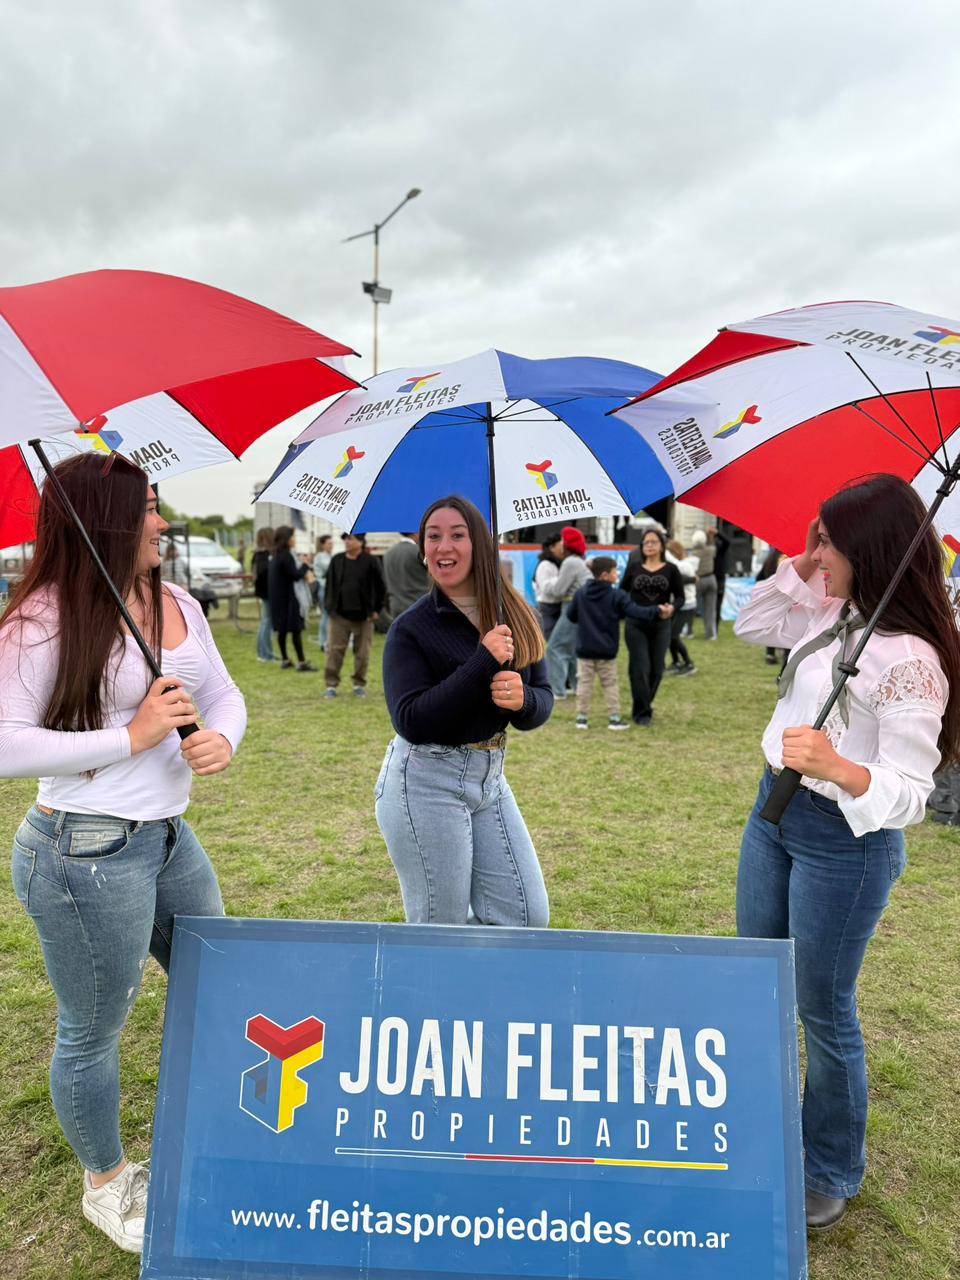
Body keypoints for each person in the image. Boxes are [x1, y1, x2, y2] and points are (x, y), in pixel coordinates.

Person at [0, 452, 245, 1255]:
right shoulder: (40, 620)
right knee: (93, 1029)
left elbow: (223, 693)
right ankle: (106, 1184)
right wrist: (129, 735)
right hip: (82, 856)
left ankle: (221, 1122)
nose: (163, 522)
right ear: (105, 519)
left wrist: (221, 740)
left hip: (169, 837)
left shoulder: (173, 599)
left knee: (220, 981)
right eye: (147, 509)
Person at [734, 474, 960, 1231]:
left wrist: (838, 766)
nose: (817, 550)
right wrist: (803, 565)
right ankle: (763, 1133)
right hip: (773, 816)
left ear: (870, 547)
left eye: (829, 539)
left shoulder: (909, 657)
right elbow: (753, 621)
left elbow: (910, 793)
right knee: (755, 983)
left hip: (845, 843)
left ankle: (829, 1166)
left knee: (820, 1008)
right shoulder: (834, 609)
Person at [376, 495, 552, 926]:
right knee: (440, 926)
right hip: (425, 780)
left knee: (525, 916)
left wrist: (523, 700)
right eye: (432, 537)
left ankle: (465, 984)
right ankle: (425, 988)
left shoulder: (516, 615)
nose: (443, 547)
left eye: (458, 535)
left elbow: (543, 697)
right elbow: (412, 721)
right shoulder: (411, 628)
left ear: (481, 545)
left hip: (490, 778)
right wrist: (482, 662)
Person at [567, 556, 670, 730]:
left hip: (584, 649)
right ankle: (614, 719)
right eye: (615, 571)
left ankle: (581, 718)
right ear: (606, 575)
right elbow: (635, 611)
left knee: (584, 684)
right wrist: (657, 610)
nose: (618, 574)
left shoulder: (581, 593)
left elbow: (571, 615)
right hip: (607, 650)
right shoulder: (617, 595)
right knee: (610, 685)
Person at [620, 529, 683, 725]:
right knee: (640, 668)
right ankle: (643, 713)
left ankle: (643, 704)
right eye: (645, 542)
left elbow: (681, 597)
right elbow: (621, 593)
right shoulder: (634, 567)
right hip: (635, 624)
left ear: (662, 546)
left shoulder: (672, 569)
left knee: (657, 668)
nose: (649, 545)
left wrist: (672, 608)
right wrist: (628, 609)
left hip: (661, 624)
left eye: (653, 542)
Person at [324, 532, 386, 697]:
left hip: (364, 617)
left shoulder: (371, 561)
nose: (347, 541)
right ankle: (331, 685)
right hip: (339, 615)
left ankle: (359, 684)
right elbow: (330, 585)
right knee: (335, 651)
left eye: (350, 538)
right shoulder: (337, 560)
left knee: (362, 653)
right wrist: (329, 607)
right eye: (345, 538)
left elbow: (381, 586)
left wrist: (376, 609)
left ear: (360, 542)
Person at [543, 526, 592, 698]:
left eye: (562, 541)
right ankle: (575, 686)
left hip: (571, 607)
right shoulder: (579, 561)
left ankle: (557, 691)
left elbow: (558, 590)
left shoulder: (570, 562)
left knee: (555, 648)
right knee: (571, 650)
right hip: (580, 609)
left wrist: (547, 583)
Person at [268, 526, 316, 672]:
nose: (294, 540)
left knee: (281, 631)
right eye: (292, 537)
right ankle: (301, 662)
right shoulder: (286, 555)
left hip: (277, 599)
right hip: (289, 599)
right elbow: (295, 575)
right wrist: (305, 565)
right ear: (287, 539)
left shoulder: (275, 555)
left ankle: (285, 659)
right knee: (296, 630)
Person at [665, 537, 698, 676]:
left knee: (673, 635)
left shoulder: (685, 565)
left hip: (687, 605)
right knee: (670, 636)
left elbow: (679, 579)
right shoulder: (678, 565)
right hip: (677, 604)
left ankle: (689, 663)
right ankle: (676, 662)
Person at [383, 531, 430, 621]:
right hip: (418, 605)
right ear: (415, 533)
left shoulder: (388, 553)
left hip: (396, 606)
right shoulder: (418, 551)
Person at [251, 526, 276, 662]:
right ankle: (266, 654)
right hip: (267, 591)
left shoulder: (258, 554)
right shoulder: (266, 555)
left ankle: (264, 653)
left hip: (263, 591)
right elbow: (264, 574)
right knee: (267, 622)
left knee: (265, 622)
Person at [533, 533, 563, 638]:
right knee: (548, 641)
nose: (564, 547)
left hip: (556, 607)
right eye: (562, 544)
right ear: (552, 547)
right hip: (546, 608)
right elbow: (546, 588)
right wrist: (563, 579)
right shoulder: (545, 565)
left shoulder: (557, 564)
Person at [690, 530, 718, 640]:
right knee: (710, 609)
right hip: (711, 579)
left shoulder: (693, 554)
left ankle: (689, 631)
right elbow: (712, 545)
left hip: (699, 580)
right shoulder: (710, 550)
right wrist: (710, 536)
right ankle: (711, 634)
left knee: (692, 608)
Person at [313, 534, 333, 650]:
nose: (331, 545)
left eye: (332, 543)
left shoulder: (330, 556)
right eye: (329, 543)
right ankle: (323, 641)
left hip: (330, 589)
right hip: (324, 589)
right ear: (323, 545)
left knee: (329, 616)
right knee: (325, 615)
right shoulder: (320, 557)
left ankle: (327, 640)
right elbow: (323, 573)